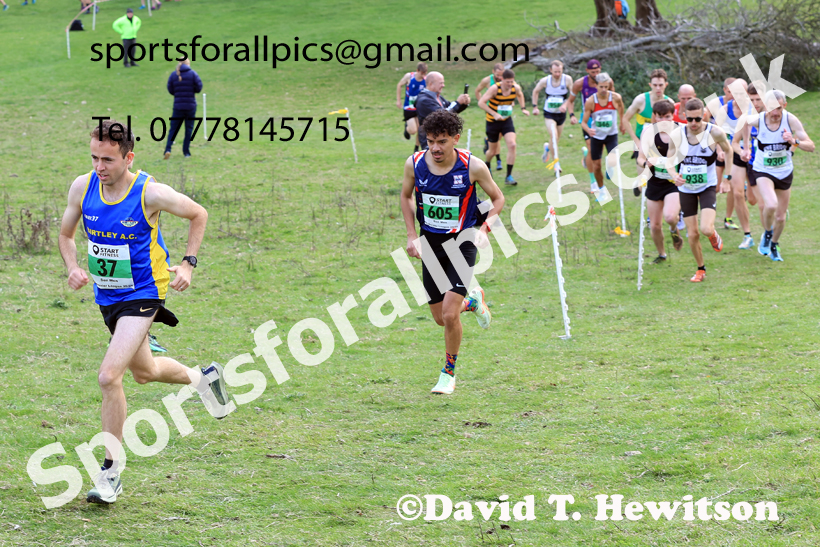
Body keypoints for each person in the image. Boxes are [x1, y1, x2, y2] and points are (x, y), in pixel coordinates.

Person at [58, 119, 230, 504]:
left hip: (145, 292)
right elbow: (66, 235)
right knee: (145, 372)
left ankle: (110, 473)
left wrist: (188, 264)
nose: (99, 167)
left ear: (128, 157)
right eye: (94, 158)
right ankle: (204, 379)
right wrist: (72, 267)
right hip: (108, 298)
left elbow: (198, 214)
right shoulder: (82, 187)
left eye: (107, 160)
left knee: (109, 377)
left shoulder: (150, 193)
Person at [399, 110, 504, 395]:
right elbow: (406, 196)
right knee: (439, 317)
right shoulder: (414, 164)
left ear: (456, 139)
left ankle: (448, 373)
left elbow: (497, 198)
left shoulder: (473, 166)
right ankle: (473, 302)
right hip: (430, 244)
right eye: (430, 141)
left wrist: (485, 229)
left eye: (442, 141)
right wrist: (411, 235)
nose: (435, 148)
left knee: (448, 315)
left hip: (463, 242)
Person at [742, 90, 815, 261]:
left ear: (785, 106)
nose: (775, 113)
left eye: (779, 109)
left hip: (784, 172)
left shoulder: (790, 120)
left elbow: (811, 146)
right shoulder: (759, 119)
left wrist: (794, 141)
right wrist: (745, 146)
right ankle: (768, 233)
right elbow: (744, 123)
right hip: (763, 169)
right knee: (771, 204)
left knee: (781, 217)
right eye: (772, 108)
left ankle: (774, 245)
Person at [670, 99, 733, 282]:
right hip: (686, 188)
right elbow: (669, 159)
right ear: (684, 116)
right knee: (693, 233)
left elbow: (729, 152)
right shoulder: (677, 134)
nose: (694, 123)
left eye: (697, 119)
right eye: (690, 119)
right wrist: (674, 175)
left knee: (705, 229)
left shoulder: (715, 132)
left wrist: (727, 178)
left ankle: (713, 234)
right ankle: (700, 269)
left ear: (704, 115)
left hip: (707, 186)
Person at [636, 99, 684, 263]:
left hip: (673, 183)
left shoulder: (681, 131)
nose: (664, 121)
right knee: (655, 225)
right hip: (655, 182)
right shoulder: (648, 132)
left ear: (673, 115)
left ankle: (674, 229)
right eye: (660, 117)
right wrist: (646, 164)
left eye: (667, 117)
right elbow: (640, 158)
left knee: (670, 217)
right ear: (655, 117)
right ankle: (662, 254)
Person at [622, 68, 671, 194]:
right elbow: (625, 119)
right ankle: (639, 187)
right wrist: (636, 141)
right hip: (642, 142)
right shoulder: (641, 100)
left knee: (658, 177)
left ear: (666, 85)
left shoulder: (669, 103)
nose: (658, 88)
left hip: (661, 144)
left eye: (661, 85)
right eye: (655, 85)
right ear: (650, 85)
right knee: (643, 176)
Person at [478, 68, 530, 185]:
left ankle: (508, 176)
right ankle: (487, 164)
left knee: (512, 145)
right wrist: (494, 114)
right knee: (492, 151)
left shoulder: (515, 88)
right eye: (507, 82)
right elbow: (481, 103)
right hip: (492, 122)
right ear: (502, 79)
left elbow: (520, 95)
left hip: (506, 121)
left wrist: (523, 108)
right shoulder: (495, 89)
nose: (510, 84)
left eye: (512, 81)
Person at [568, 59, 612, 192]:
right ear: (587, 71)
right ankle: (593, 182)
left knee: (601, 149)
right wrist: (572, 115)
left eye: (598, 71)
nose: (596, 74)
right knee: (592, 149)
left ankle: (590, 157)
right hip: (588, 120)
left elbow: (613, 98)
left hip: (603, 120)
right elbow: (570, 101)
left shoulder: (607, 82)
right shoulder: (580, 83)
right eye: (593, 72)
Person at [582, 73, 625, 202]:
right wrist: (588, 130)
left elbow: (621, 109)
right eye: (601, 87)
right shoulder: (591, 101)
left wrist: (622, 123)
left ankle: (610, 166)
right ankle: (602, 191)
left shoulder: (615, 98)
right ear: (596, 86)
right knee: (596, 166)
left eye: (606, 87)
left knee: (613, 159)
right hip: (597, 136)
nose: (604, 90)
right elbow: (583, 122)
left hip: (611, 134)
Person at [532, 60, 573, 172]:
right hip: (549, 113)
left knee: (556, 139)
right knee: (554, 136)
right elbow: (535, 91)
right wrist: (535, 107)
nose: (557, 74)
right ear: (550, 70)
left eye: (559, 71)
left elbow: (572, 95)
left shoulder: (567, 79)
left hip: (561, 114)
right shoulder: (545, 80)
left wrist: (565, 106)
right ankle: (556, 164)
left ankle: (547, 148)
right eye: (555, 72)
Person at [415, 71, 470, 150]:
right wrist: (458, 102)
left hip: (441, 138)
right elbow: (443, 114)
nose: (443, 85)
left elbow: (452, 110)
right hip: (431, 141)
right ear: (430, 84)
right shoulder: (424, 100)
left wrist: (463, 104)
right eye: (441, 83)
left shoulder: (437, 97)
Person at [164, 58, 203, 160]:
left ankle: (168, 149)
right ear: (188, 63)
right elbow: (199, 87)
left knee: (173, 129)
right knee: (188, 129)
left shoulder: (174, 75)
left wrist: (177, 94)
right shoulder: (193, 74)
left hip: (178, 106)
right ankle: (186, 152)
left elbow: (170, 88)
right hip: (190, 106)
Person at [475, 63, 506, 171]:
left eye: (501, 75)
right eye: (498, 75)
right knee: (497, 136)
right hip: (491, 111)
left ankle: (488, 141)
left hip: (502, 110)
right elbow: (477, 91)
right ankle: (498, 160)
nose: (500, 77)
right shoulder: (487, 80)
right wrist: (482, 103)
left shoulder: (506, 80)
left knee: (500, 136)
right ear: (493, 72)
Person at [396, 62, 428, 152]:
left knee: (421, 129)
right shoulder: (409, 77)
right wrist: (398, 100)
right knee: (413, 130)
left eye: (425, 73)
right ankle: (407, 128)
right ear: (417, 70)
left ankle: (416, 148)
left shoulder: (426, 80)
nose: (423, 75)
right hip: (409, 107)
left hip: (419, 108)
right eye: (422, 73)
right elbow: (399, 85)